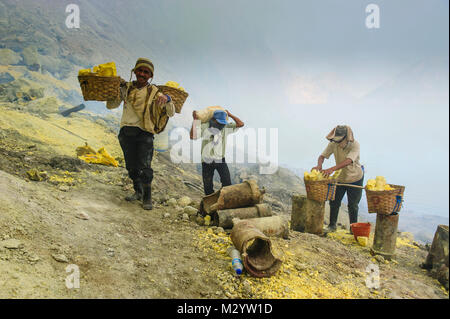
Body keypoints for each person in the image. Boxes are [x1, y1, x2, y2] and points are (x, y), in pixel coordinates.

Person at [106, 58, 175, 210]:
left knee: (145, 166)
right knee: (131, 166)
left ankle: (147, 197)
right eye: (140, 71)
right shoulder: (126, 88)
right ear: (135, 71)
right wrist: (113, 92)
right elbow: (112, 105)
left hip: (145, 133)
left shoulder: (155, 92)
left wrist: (168, 98)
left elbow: (171, 112)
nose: (142, 74)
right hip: (126, 131)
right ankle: (138, 191)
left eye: (146, 72)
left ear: (150, 76)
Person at [312, 125, 364, 232]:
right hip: (340, 178)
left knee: (353, 205)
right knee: (334, 201)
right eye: (336, 140)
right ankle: (332, 226)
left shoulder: (355, 145)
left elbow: (349, 160)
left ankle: (353, 229)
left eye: (340, 141)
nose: (338, 143)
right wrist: (319, 165)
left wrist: (332, 169)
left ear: (347, 138)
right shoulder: (333, 144)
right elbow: (322, 156)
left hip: (355, 178)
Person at [190, 109, 244, 195]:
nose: (221, 125)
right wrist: (195, 121)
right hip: (206, 161)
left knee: (227, 183)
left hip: (220, 159)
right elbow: (192, 136)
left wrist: (230, 114)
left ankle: (224, 202)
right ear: (213, 120)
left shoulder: (225, 128)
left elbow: (241, 124)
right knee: (208, 188)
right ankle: (210, 205)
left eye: (223, 123)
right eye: (219, 123)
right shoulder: (205, 127)